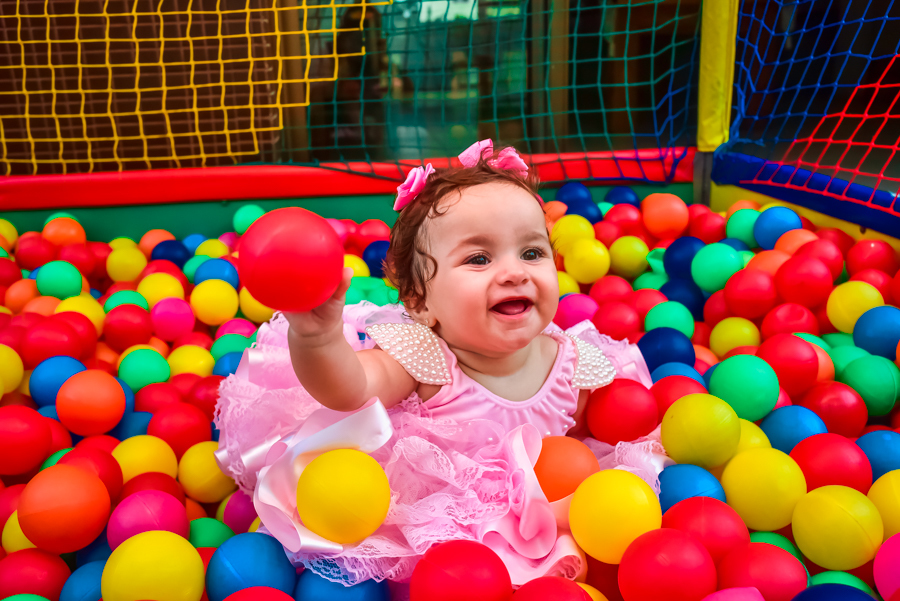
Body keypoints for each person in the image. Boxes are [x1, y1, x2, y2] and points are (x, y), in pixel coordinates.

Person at [214, 139, 665, 589]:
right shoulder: (425, 358)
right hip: (445, 528)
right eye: (478, 258)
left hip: (541, 520)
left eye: (531, 252)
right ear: (419, 302)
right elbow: (349, 389)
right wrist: (317, 338)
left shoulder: (572, 365)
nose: (514, 272)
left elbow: (588, 447)